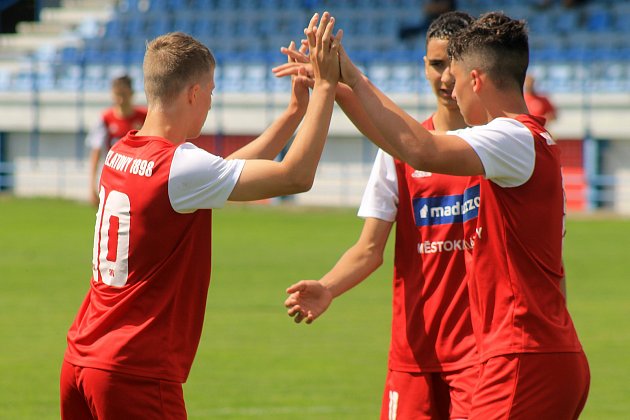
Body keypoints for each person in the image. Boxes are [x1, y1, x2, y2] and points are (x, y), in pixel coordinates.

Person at [288, 11, 590, 419]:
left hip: (520, 354)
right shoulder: (523, 142)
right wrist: (337, 86)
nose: (450, 85)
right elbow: (407, 145)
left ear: (476, 80)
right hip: (532, 352)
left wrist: (352, 78)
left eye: (457, 76)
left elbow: (421, 149)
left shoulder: (512, 137)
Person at [60, 13, 342, 419]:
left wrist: (295, 111)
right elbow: (296, 176)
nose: (211, 101)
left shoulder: (123, 150)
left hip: (82, 360)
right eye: (210, 91)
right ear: (193, 93)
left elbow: (221, 171)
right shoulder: (179, 166)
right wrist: (327, 88)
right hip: (134, 369)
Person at [276, 12, 479, 419]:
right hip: (414, 356)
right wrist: (328, 287)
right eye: (437, 65)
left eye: (454, 67)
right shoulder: (397, 153)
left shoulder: (494, 148)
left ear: (474, 71)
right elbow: (369, 248)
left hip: (480, 356)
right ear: (424, 65)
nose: (445, 79)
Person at [85, 75, 147, 206]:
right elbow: (96, 150)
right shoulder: (106, 119)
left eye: (123, 94)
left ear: (131, 93)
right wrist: (92, 185)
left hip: (139, 176)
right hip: (115, 175)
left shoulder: (144, 117)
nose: (120, 99)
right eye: (117, 94)